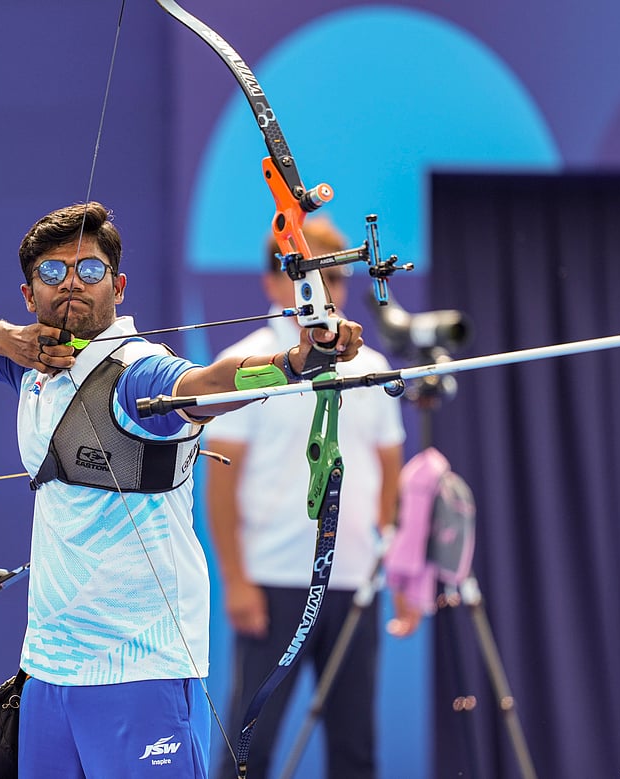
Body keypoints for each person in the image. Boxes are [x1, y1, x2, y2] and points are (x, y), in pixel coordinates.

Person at [0, 201, 365, 779]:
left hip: (138, 668)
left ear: (117, 286)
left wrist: (294, 362)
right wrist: (8, 340)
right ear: (28, 295)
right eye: (52, 273)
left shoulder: (140, 372)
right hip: (47, 668)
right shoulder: (32, 363)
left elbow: (205, 385)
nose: (71, 282)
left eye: (89, 271)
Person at [205, 218, 406, 779]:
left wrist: (384, 554)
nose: (326, 291)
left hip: (355, 585)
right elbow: (220, 482)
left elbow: (390, 468)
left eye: (336, 278)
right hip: (274, 584)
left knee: (355, 749)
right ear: (275, 283)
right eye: (307, 278)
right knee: (251, 749)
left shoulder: (373, 367)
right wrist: (238, 581)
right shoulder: (245, 364)